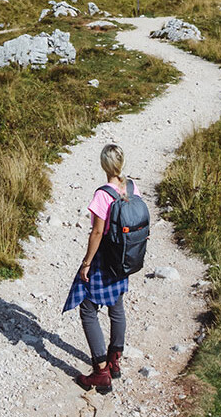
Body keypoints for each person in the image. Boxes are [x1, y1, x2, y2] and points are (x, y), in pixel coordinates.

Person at [72, 144, 135, 391]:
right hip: (124, 259)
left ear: (103, 165)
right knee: (116, 305)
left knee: (87, 307)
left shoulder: (103, 195)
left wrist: (86, 263)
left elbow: (97, 232)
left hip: (104, 259)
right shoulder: (131, 187)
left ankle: (101, 371)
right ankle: (115, 361)